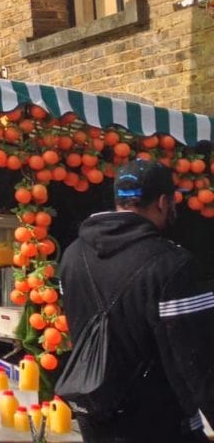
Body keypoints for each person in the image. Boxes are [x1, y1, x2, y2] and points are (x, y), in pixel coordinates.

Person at [61, 159, 214, 443]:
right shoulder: (172, 265)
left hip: (96, 423)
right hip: (162, 427)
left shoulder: (72, 256)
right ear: (163, 201)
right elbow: (198, 360)